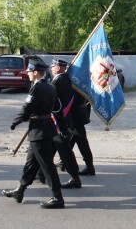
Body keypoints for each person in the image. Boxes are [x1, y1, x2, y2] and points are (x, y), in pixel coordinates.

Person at [2, 61, 65, 209]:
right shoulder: (50, 86)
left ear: (36, 72)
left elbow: (27, 108)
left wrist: (16, 121)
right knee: (31, 163)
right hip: (45, 127)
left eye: (29, 71)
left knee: (47, 165)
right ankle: (20, 190)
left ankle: (57, 197)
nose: (27, 73)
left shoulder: (37, 87)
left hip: (39, 131)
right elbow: (55, 106)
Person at [49, 58, 82, 188]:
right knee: (45, 149)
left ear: (58, 68)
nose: (51, 69)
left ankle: (75, 178)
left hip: (60, 121)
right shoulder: (64, 79)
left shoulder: (60, 80)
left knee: (65, 150)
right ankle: (39, 173)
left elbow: (52, 99)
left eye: (52, 67)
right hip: (58, 120)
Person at [71, 91, 96, 176]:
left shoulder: (74, 80)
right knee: (72, 140)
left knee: (81, 142)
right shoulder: (77, 79)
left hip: (75, 114)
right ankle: (63, 162)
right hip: (77, 113)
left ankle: (89, 166)